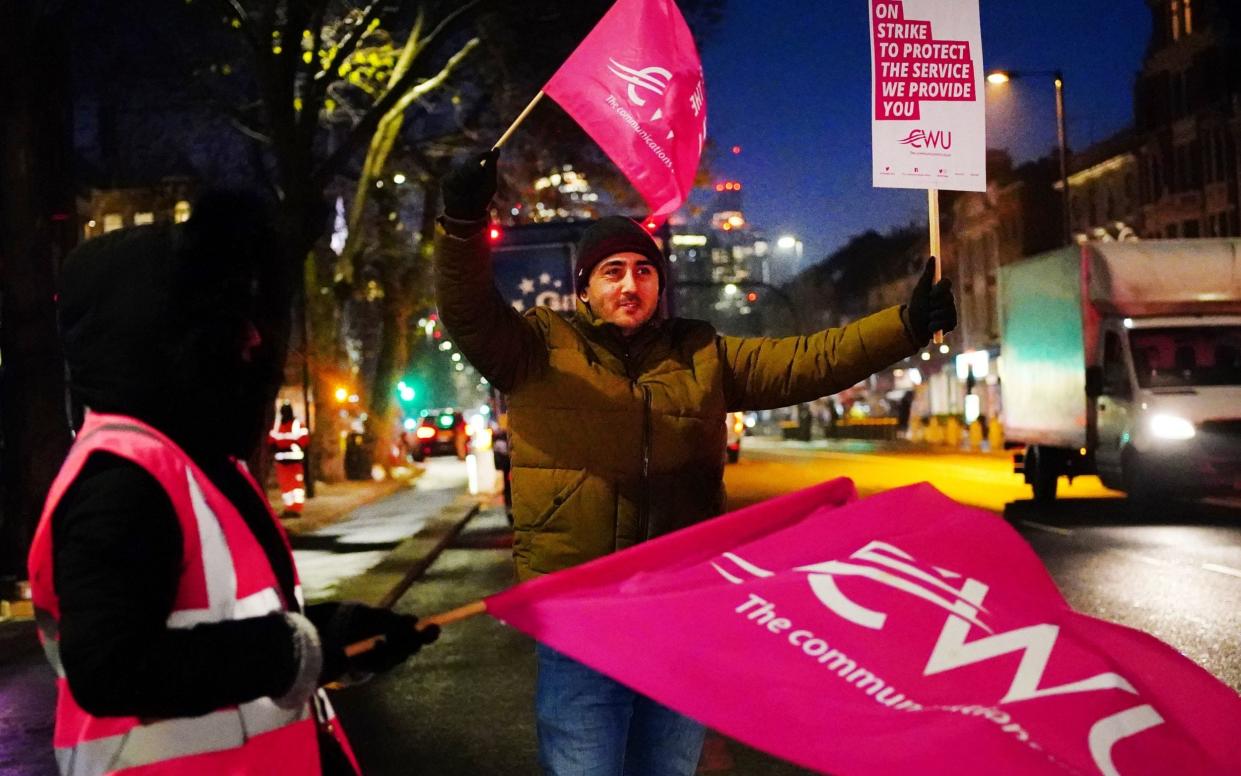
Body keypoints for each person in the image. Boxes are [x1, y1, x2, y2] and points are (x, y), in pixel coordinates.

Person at [433, 151, 957, 776]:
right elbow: (467, 311)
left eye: (643, 272)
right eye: (612, 272)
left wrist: (905, 326)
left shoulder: (702, 353)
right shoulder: (536, 347)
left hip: (679, 613)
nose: (630, 285)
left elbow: (807, 360)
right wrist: (462, 225)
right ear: (585, 289)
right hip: (583, 615)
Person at [27, 191, 439, 776]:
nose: (250, 341)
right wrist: (294, 650)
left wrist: (336, 636)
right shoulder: (122, 479)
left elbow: (226, 626)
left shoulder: (194, 464)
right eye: (224, 322)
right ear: (157, 339)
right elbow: (110, 669)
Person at [270, 402, 310, 516]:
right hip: (283, 463)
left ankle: (295, 509)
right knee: (287, 487)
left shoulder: (296, 425)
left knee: (295, 487)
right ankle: (289, 508)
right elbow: (271, 440)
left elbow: (304, 440)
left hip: (293, 462)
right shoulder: (278, 426)